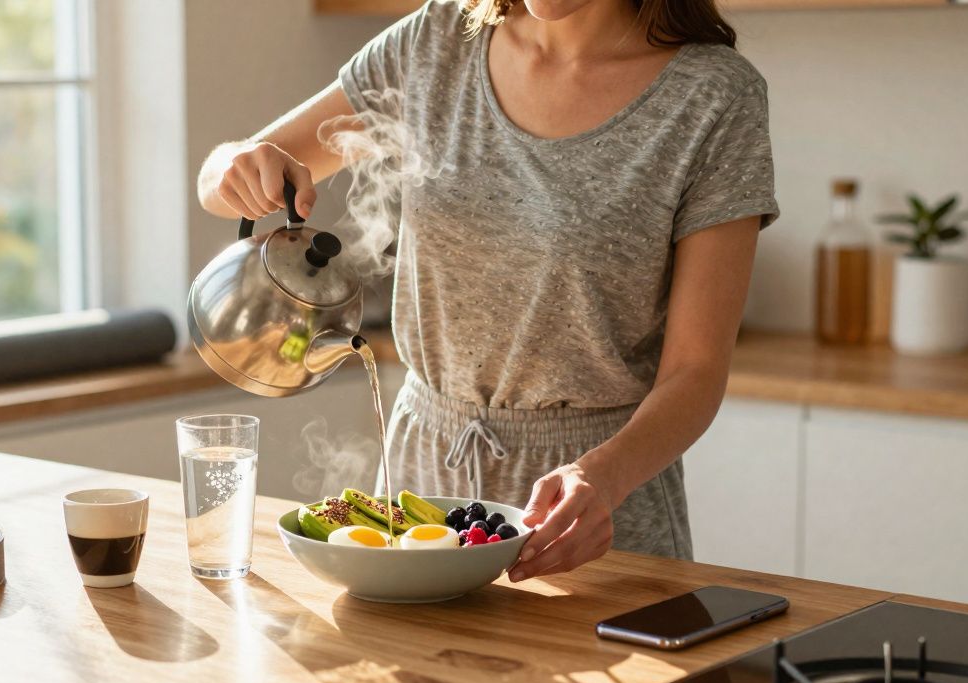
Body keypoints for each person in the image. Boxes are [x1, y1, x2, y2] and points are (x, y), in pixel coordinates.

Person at [197, 0, 778, 582]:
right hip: (420, 487)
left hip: (588, 513)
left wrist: (607, 475)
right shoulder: (435, 42)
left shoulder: (713, 96)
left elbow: (696, 372)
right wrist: (235, 163)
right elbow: (222, 185)